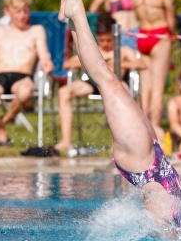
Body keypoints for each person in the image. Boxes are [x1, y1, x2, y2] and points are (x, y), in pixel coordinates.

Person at [58, 0, 181, 235]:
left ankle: (77, 12)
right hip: (152, 156)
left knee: (108, 82)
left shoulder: (168, 223)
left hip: (144, 163)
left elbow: (164, 230)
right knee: (108, 80)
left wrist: (170, 238)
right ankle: (71, 18)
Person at [54, 13, 145, 152]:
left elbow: (142, 64)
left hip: (117, 86)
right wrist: (95, 63)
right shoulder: (94, 51)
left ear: (115, 36)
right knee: (63, 92)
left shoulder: (123, 51)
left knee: (125, 92)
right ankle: (66, 141)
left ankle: (121, 143)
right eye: (102, 40)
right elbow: (68, 64)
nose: (106, 44)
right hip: (94, 84)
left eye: (109, 40)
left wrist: (120, 63)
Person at [0, 0, 54, 146]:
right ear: (7, 12)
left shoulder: (36, 31)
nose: (22, 15)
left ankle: (1, 121)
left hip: (22, 77)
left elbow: (44, 56)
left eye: (26, 11)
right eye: (18, 11)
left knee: (25, 92)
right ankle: (1, 129)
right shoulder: (0, 31)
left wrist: (47, 64)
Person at [131, 0, 175, 140]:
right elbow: (170, 16)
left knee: (145, 87)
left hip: (142, 35)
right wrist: (172, 33)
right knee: (158, 88)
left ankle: (141, 127)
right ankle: (155, 128)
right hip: (159, 34)